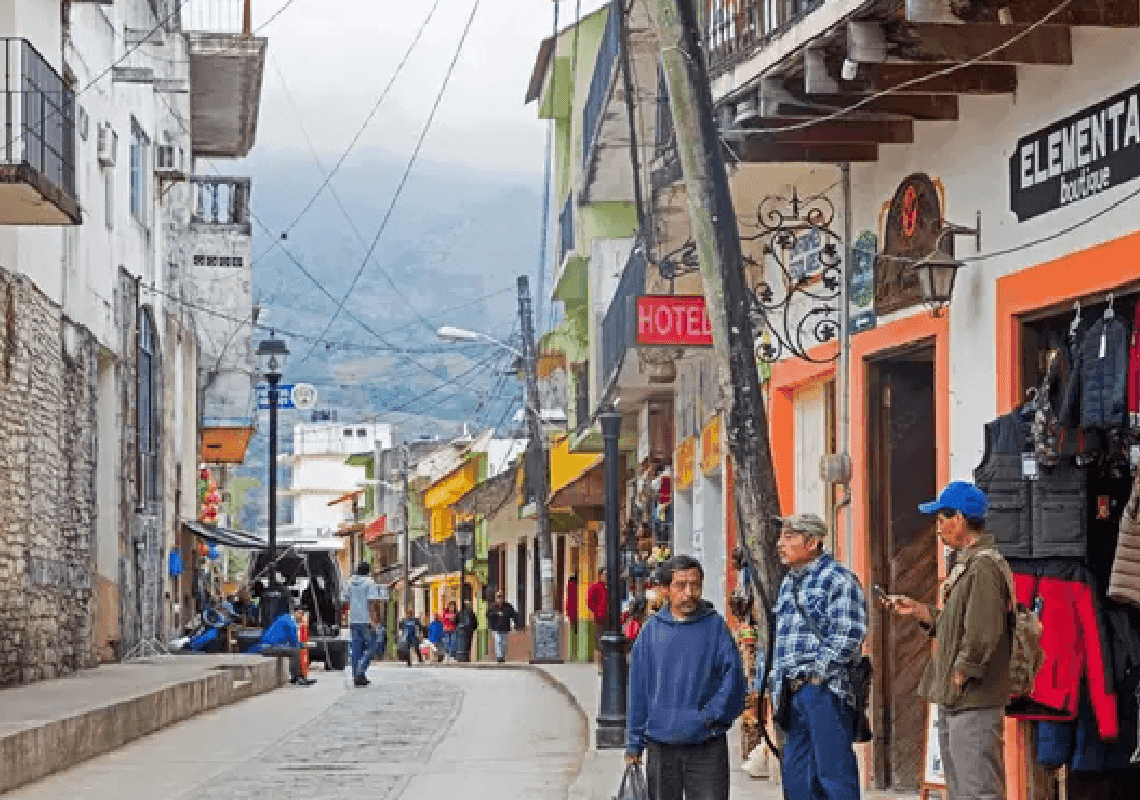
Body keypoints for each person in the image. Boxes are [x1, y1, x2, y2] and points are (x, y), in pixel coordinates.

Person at [887, 482, 1012, 800]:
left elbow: (982, 633)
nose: (938, 527)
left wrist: (961, 672)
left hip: (973, 698)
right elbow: (957, 625)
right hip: (958, 698)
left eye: (942, 518)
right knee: (960, 790)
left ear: (959, 518)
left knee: (978, 789)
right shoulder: (968, 564)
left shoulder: (983, 566)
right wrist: (920, 611)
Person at [625, 555, 745, 800]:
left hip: (706, 745)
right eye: (681, 585)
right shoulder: (650, 633)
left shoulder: (715, 628)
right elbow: (638, 692)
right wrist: (634, 743)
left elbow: (733, 681)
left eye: (695, 585)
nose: (689, 592)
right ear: (666, 589)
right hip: (661, 745)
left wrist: (710, 717)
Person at [769, 513, 867, 800]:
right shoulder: (789, 582)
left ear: (811, 542)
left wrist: (816, 674)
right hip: (791, 691)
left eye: (789, 537)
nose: (780, 544)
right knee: (797, 777)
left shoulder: (838, 579)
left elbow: (849, 632)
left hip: (825, 690)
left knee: (834, 775)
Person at [342, 561, 381, 687]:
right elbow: (371, 602)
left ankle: (357, 677)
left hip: (353, 620)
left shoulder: (350, 582)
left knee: (356, 649)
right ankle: (360, 670)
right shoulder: (369, 582)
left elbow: (345, 599)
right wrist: (374, 620)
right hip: (365, 620)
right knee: (372, 647)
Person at [252, 609, 315, 686]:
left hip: (269, 645)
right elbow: (294, 642)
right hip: (269, 647)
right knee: (295, 651)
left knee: (293, 649)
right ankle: (296, 678)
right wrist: (306, 645)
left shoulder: (285, 617)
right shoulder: (291, 623)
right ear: (298, 614)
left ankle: (298, 677)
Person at [486, 591, 519, 663]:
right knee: (498, 641)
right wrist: (490, 626)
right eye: (498, 597)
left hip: (505, 627)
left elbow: (513, 615)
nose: (499, 599)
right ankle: (499, 657)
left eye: (501, 597)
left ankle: (502, 655)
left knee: (504, 642)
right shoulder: (492, 607)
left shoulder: (508, 606)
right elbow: (488, 616)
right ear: (496, 598)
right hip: (496, 627)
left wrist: (517, 624)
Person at [587, 568, 609, 666]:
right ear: (600, 576)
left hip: (608, 618)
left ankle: (605, 665)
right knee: (599, 642)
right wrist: (597, 611)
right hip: (599, 618)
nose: (606, 577)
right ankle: (599, 665)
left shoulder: (608, 587)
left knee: (606, 643)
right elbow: (590, 602)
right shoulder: (595, 587)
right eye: (604, 575)